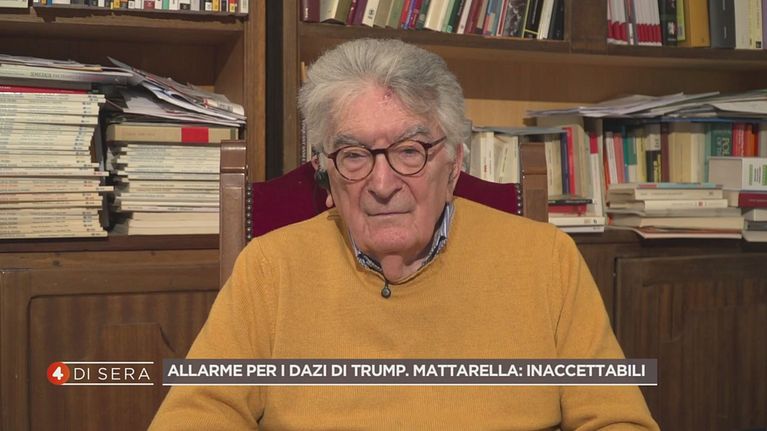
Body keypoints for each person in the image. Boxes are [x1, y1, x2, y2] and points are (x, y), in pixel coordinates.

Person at [150, 38, 659, 430]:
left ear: (454, 165)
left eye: (410, 151)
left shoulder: (547, 259)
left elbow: (617, 419)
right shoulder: (271, 266)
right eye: (354, 155)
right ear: (327, 173)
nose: (382, 184)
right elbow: (195, 414)